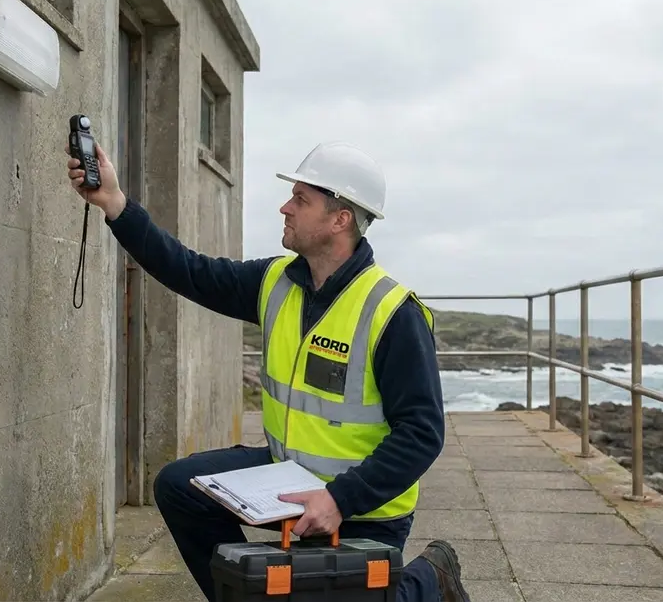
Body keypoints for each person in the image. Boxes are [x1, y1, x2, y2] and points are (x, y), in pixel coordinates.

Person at [66, 140, 470, 601]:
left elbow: (422, 433)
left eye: (301, 199)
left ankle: (429, 579)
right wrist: (115, 203)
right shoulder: (275, 282)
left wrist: (340, 499)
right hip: (288, 480)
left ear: (340, 219)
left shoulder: (393, 313)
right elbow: (188, 270)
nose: (285, 207)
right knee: (179, 486)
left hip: (364, 508)